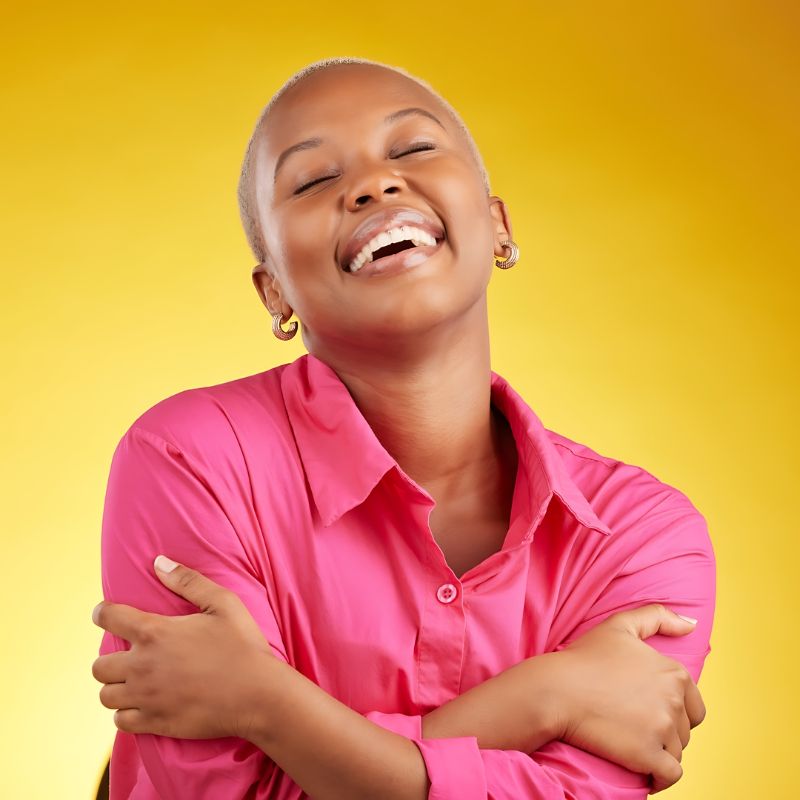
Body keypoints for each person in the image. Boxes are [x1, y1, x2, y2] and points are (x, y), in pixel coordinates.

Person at [90, 56, 715, 800]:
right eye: (314, 180)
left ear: (498, 225)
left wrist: (265, 704)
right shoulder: (189, 459)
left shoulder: (641, 535)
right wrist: (546, 696)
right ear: (274, 291)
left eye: (413, 148)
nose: (374, 184)